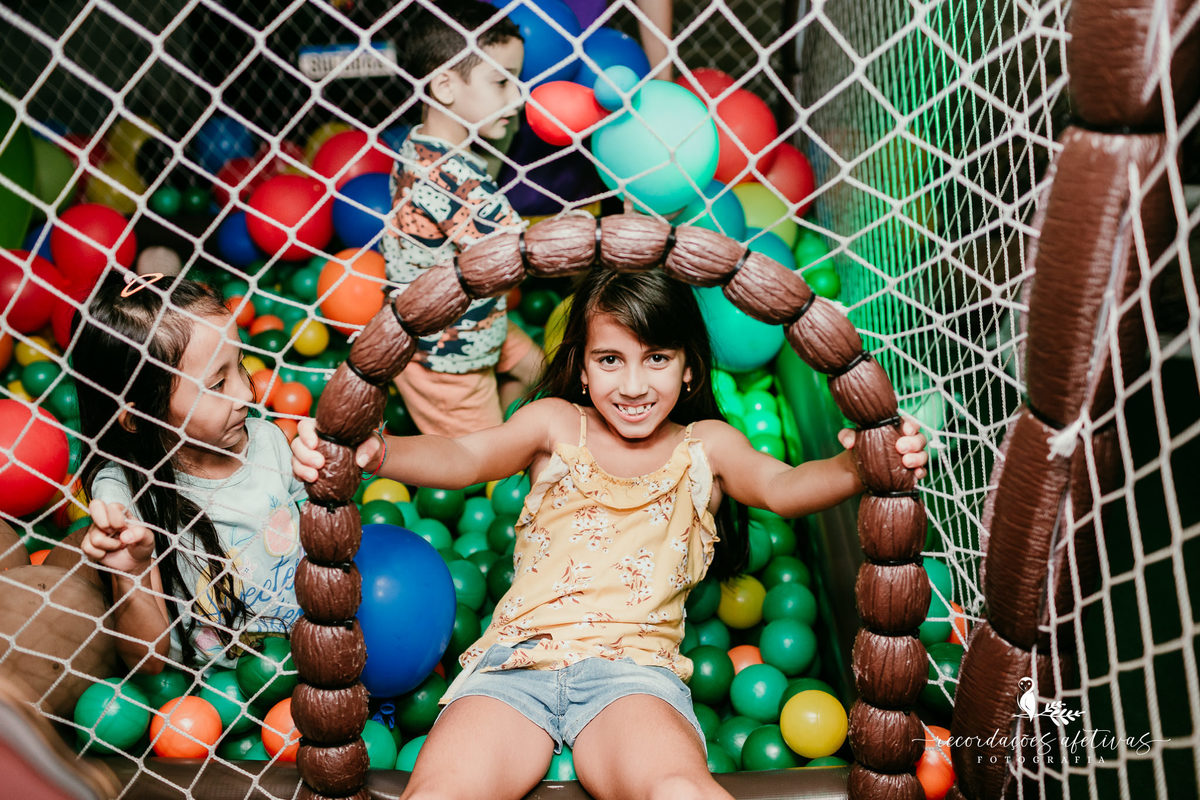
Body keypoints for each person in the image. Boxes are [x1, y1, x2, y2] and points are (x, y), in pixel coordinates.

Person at [292, 268, 927, 799]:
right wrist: (377, 453)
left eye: (656, 359)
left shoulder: (706, 447)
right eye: (609, 359)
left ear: (687, 369)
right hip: (516, 665)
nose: (631, 385)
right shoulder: (554, 426)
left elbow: (784, 488)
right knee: (440, 793)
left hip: (632, 674)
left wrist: (855, 466)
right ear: (585, 367)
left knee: (679, 790)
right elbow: (463, 457)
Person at [72, 274, 305, 673]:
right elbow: (146, 661)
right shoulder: (121, 493)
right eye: (216, 384)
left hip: (310, 645)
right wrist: (131, 572)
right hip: (217, 690)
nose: (247, 395)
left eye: (241, 365)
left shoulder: (267, 441)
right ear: (139, 416)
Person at [382, 0, 544, 437]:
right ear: (446, 87)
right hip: (446, 359)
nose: (519, 97)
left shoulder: (420, 144)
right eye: (502, 82)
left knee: (548, 374)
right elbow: (524, 254)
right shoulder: (451, 178)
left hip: (479, 326)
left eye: (518, 81)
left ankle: (508, 411)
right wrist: (607, 230)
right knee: (489, 467)